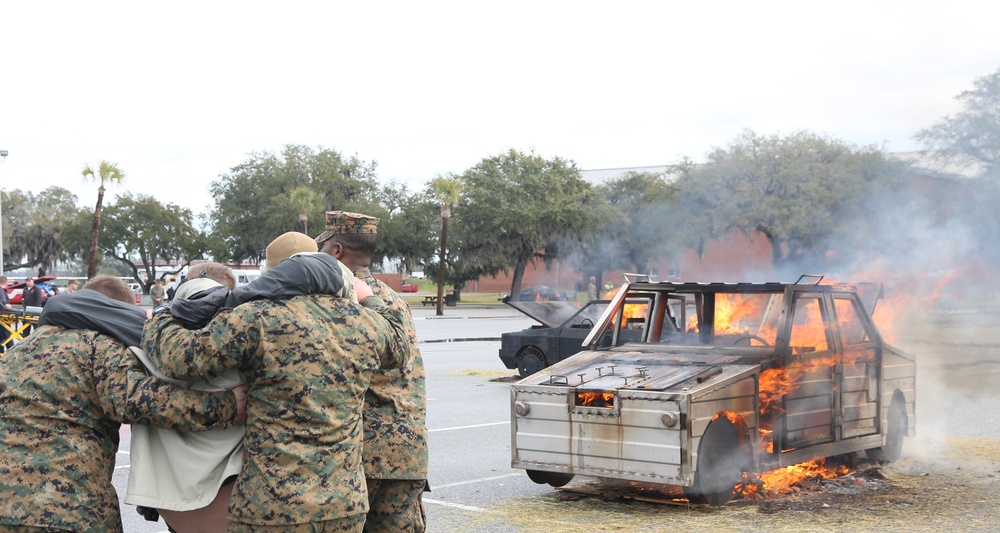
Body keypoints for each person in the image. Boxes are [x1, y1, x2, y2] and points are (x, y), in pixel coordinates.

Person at [142, 237, 408, 532]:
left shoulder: (258, 317)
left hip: (272, 507)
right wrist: (368, 297)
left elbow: (182, 358)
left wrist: (162, 317)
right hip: (343, 505)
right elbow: (400, 344)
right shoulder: (364, 323)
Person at [0, 276, 247, 533]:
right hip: (68, 509)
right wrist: (228, 406)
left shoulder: (16, 352)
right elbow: (138, 400)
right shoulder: (100, 345)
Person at [317, 211, 429, 533]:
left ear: (336, 251)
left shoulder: (338, 297)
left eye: (322, 248)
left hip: (362, 455)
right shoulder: (392, 299)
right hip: (408, 452)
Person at [126, 262, 243, 533]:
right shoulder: (248, 339)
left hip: (171, 499)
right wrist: (226, 405)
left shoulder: (145, 341)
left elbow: (130, 400)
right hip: (235, 494)